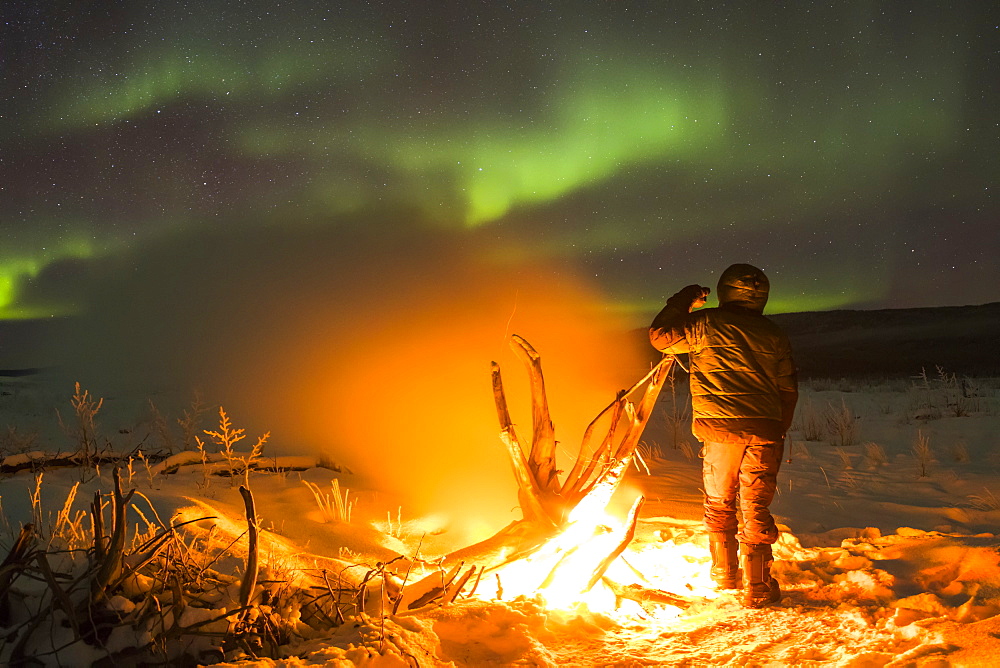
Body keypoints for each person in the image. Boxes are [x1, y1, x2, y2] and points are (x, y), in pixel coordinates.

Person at [648, 263, 797, 608]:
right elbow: (788, 388)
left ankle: (724, 574)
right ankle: (757, 588)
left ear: (726, 290)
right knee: (756, 504)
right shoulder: (773, 333)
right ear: (762, 297)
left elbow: (660, 337)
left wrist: (683, 300)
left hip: (719, 432)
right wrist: (777, 427)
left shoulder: (705, 324)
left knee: (719, 500)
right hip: (764, 430)